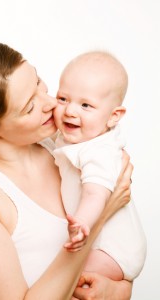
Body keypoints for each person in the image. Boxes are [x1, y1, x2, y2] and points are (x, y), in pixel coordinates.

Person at [0, 38, 133, 300]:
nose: (52, 104)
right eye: (30, 106)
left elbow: (121, 255)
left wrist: (117, 290)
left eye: (39, 83)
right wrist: (98, 218)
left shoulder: (65, 144)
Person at [53, 51, 146, 281]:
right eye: (63, 98)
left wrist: (82, 223)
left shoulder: (100, 150)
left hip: (114, 251)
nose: (70, 111)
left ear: (113, 116)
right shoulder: (72, 136)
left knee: (63, 279)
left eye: (86, 105)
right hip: (97, 243)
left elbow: (96, 193)